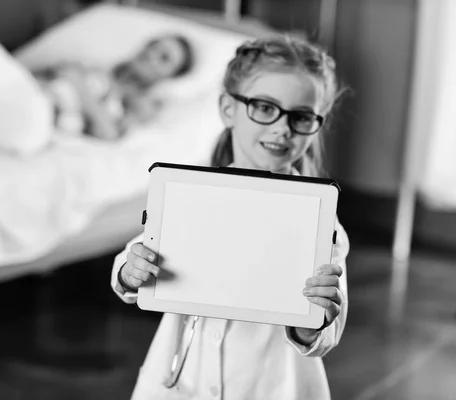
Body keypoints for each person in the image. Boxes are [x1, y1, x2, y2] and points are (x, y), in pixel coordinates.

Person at [110, 34, 349, 400]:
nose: (282, 128)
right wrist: (131, 271)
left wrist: (311, 324)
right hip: (180, 382)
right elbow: (138, 257)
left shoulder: (322, 221)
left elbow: (326, 331)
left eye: (301, 116)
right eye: (265, 108)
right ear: (228, 109)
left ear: (316, 123)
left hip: (271, 386)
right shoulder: (189, 194)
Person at [34, 34, 194, 140]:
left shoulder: (142, 104)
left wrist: (79, 87)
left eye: (164, 58)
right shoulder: (104, 70)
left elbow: (109, 133)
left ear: (170, 77)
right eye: (152, 45)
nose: (150, 53)